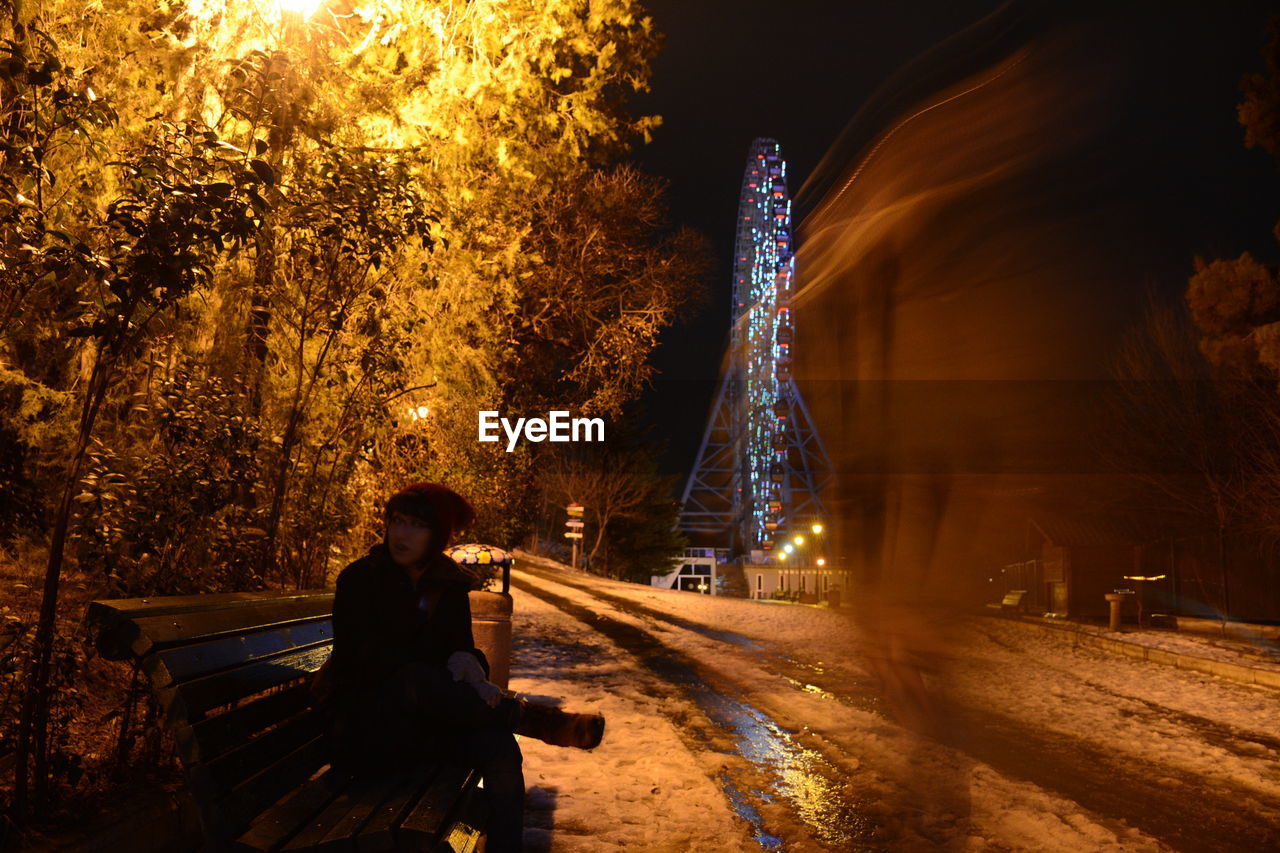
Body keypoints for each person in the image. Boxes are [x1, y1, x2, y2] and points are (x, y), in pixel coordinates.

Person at [326, 481, 605, 853]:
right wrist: (434, 667)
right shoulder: (360, 581)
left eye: (416, 525)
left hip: (429, 727)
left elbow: (462, 652)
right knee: (413, 678)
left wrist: (471, 663)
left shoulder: (447, 586)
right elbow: (360, 665)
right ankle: (533, 719)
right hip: (370, 732)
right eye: (397, 521)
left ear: (437, 535)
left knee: (499, 746)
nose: (402, 534)